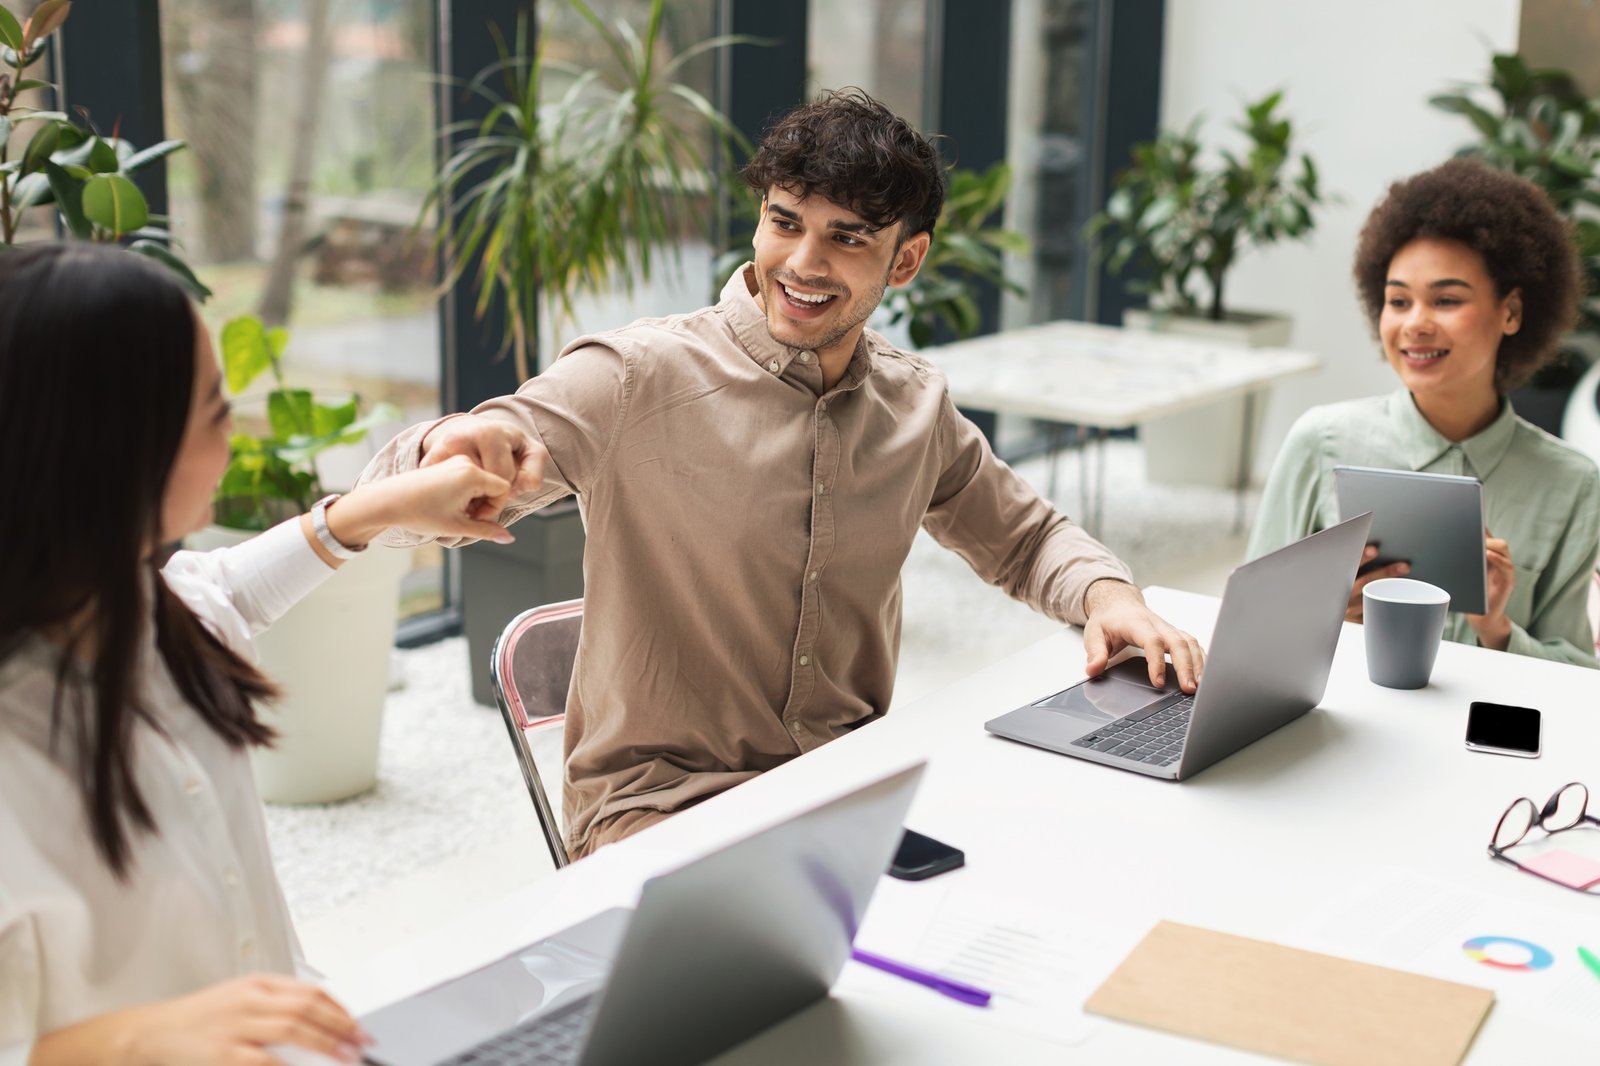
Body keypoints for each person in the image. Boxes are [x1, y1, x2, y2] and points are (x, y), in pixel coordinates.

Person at [358, 89, 1206, 861]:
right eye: (785, 221)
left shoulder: (914, 404)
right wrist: (451, 448)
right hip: (657, 808)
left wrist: (1112, 598)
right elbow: (412, 493)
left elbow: (1025, 538)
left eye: (847, 238)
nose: (803, 261)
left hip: (845, 787)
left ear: (905, 261)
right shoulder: (635, 375)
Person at [0, 243, 519, 1064]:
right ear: (111, 449)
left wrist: (378, 507)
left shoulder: (149, 608)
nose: (234, 434)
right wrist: (138, 1035)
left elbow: (231, 589)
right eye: (215, 412)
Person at [1249, 158, 1600, 667]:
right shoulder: (1320, 442)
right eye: (1398, 301)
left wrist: (1497, 629)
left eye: (1446, 300)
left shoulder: (1571, 483)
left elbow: (1580, 677)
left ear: (1511, 312)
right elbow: (1249, 621)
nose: (1415, 324)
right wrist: (1332, 618)